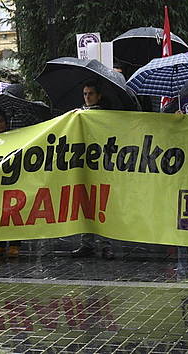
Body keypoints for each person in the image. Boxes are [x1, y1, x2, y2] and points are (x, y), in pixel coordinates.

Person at [72, 81, 114, 259]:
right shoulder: (77, 115)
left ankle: (106, 245)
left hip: (102, 166)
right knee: (86, 205)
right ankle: (86, 244)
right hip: (84, 165)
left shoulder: (106, 116)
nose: (87, 97)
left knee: (103, 206)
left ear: (98, 96)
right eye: (85, 94)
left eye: (90, 94)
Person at [0, 110, 22, 259]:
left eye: (1, 121)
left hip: (12, 181)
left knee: (13, 213)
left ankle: (14, 244)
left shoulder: (15, 137)